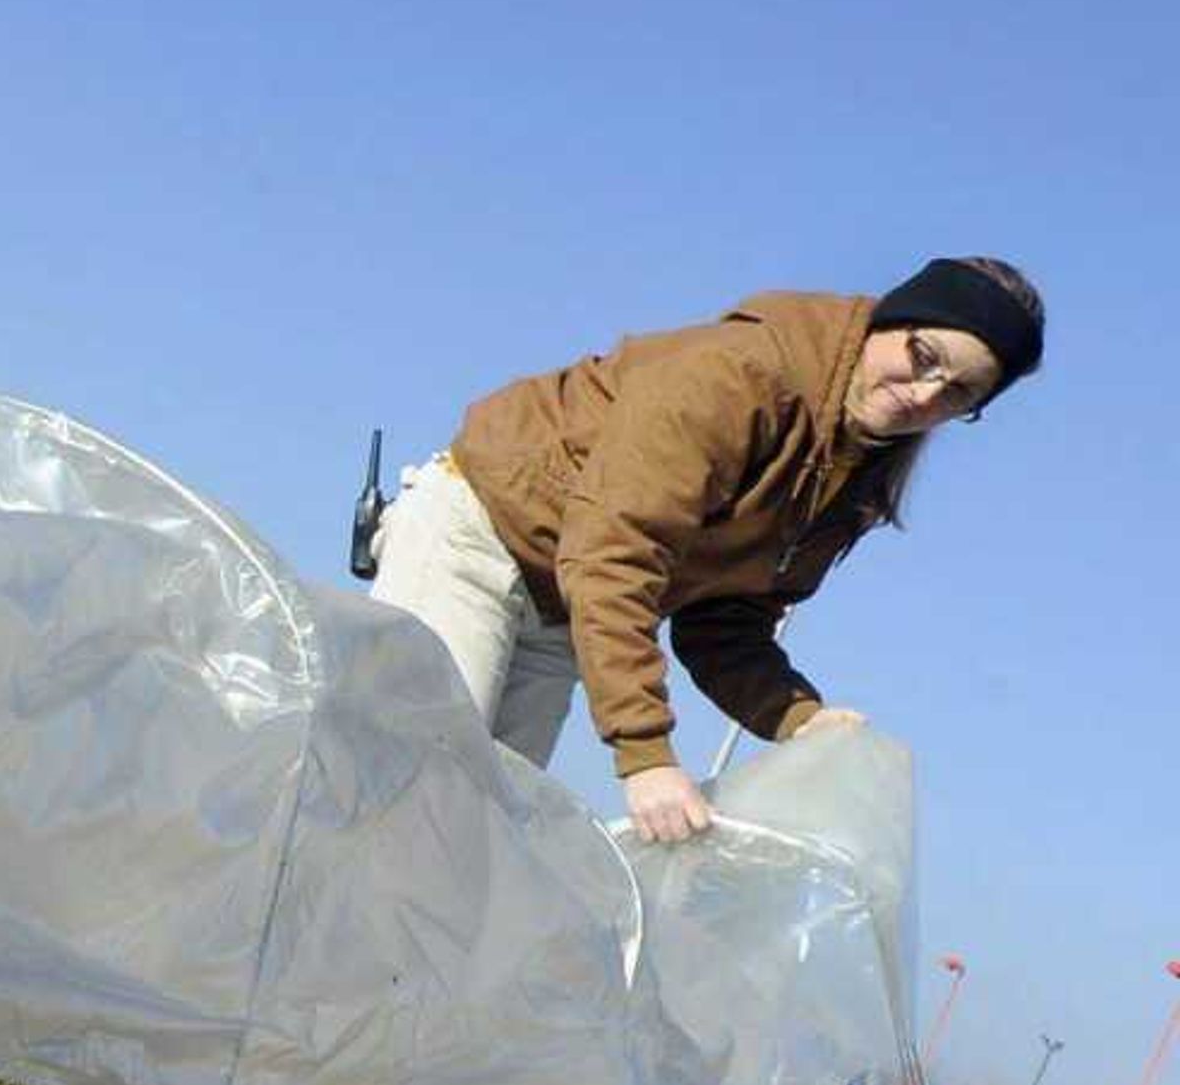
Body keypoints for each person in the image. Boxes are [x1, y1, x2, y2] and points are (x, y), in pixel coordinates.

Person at [367, 257, 1043, 844]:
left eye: (959, 394)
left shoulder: (855, 473)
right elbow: (614, 546)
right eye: (923, 357)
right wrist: (646, 756)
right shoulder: (744, 374)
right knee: (418, 792)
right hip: (478, 536)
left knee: (476, 834)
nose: (924, 395)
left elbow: (724, 621)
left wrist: (800, 721)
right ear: (890, 322)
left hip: (563, 606)